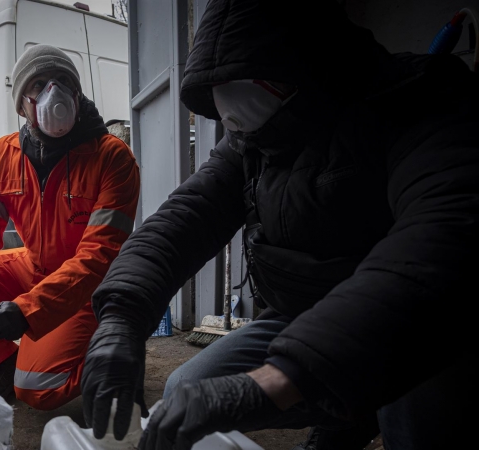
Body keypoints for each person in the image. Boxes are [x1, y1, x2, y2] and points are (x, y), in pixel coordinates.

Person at [80, 0, 478, 449]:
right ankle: (343, 412)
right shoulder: (255, 139)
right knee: (185, 393)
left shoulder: (422, 100)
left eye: (250, 82)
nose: (234, 109)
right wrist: (122, 316)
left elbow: (442, 242)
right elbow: (185, 216)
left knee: (413, 408)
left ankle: (351, 405)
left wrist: (280, 380)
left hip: (415, 325)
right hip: (301, 314)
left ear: (309, 61)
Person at [0, 44, 140, 410]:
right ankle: (1, 365)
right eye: (39, 83)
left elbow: (98, 258)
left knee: (38, 387)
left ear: (77, 94)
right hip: (31, 269)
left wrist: (27, 311)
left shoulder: (112, 158)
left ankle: (114, 353)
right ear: (21, 104)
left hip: (85, 288)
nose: (55, 91)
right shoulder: (2, 155)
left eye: (64, 81)